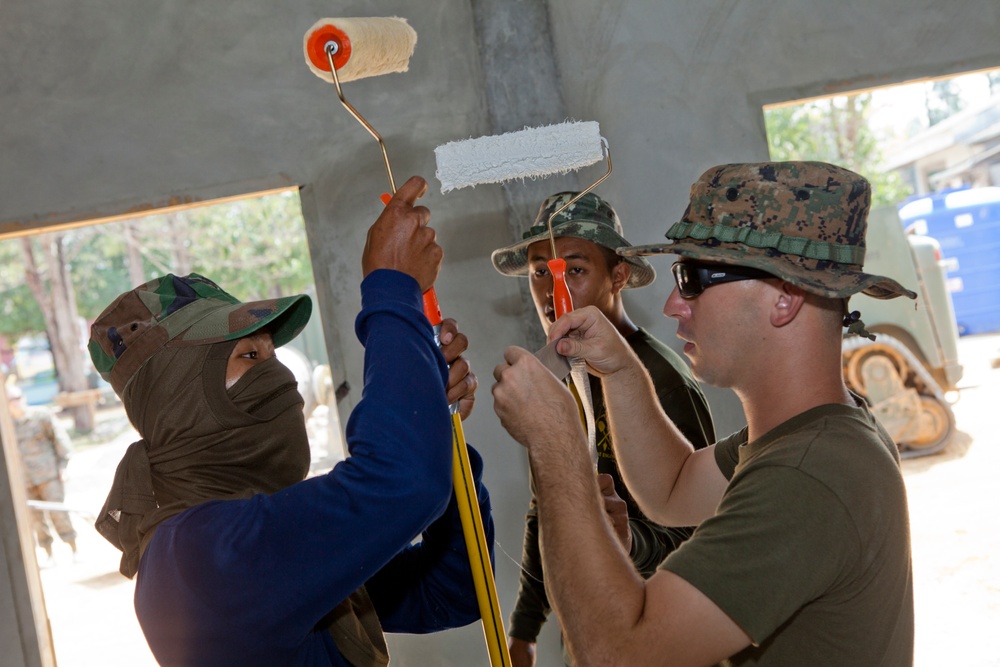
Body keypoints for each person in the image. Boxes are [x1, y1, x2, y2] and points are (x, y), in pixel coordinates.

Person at [492, 162, 916, 666]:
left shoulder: (808, 476)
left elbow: (617, 655)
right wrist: (622, 370)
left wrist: (555, 444)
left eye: (693, 278)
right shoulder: (807, 434)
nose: (673, 305)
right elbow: (673, 488)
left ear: (785, 298)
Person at [88, 176, 491, 667]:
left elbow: (449, 592)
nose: (278, 374)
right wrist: (391, 287)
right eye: (249, 355)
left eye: (272, 353)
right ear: (182, 398)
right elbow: (401, 480)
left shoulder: (252, 530)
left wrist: (433, 414)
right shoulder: (195, 558)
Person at [490, 191, 715, 666]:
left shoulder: (663, 380)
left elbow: (709, 533)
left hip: (669, 638)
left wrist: (629, 540)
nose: (555, 291)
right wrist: (525, 630)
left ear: (618, 276)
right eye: (539, 272)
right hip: (593, 631)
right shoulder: (552, 382)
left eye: (575, 269)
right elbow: (544, 509)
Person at [6, 381, 77, 564]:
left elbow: (60, 440)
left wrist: (63, 467)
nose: (15, 402)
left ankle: (73, 548)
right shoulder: (7, 426)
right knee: (37, 520)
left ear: (24, 397)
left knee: (58, 514)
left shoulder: (41, 416)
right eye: (10, 400)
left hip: (48, 476)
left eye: (18, 398)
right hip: (24, 481)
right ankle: (48, 553)